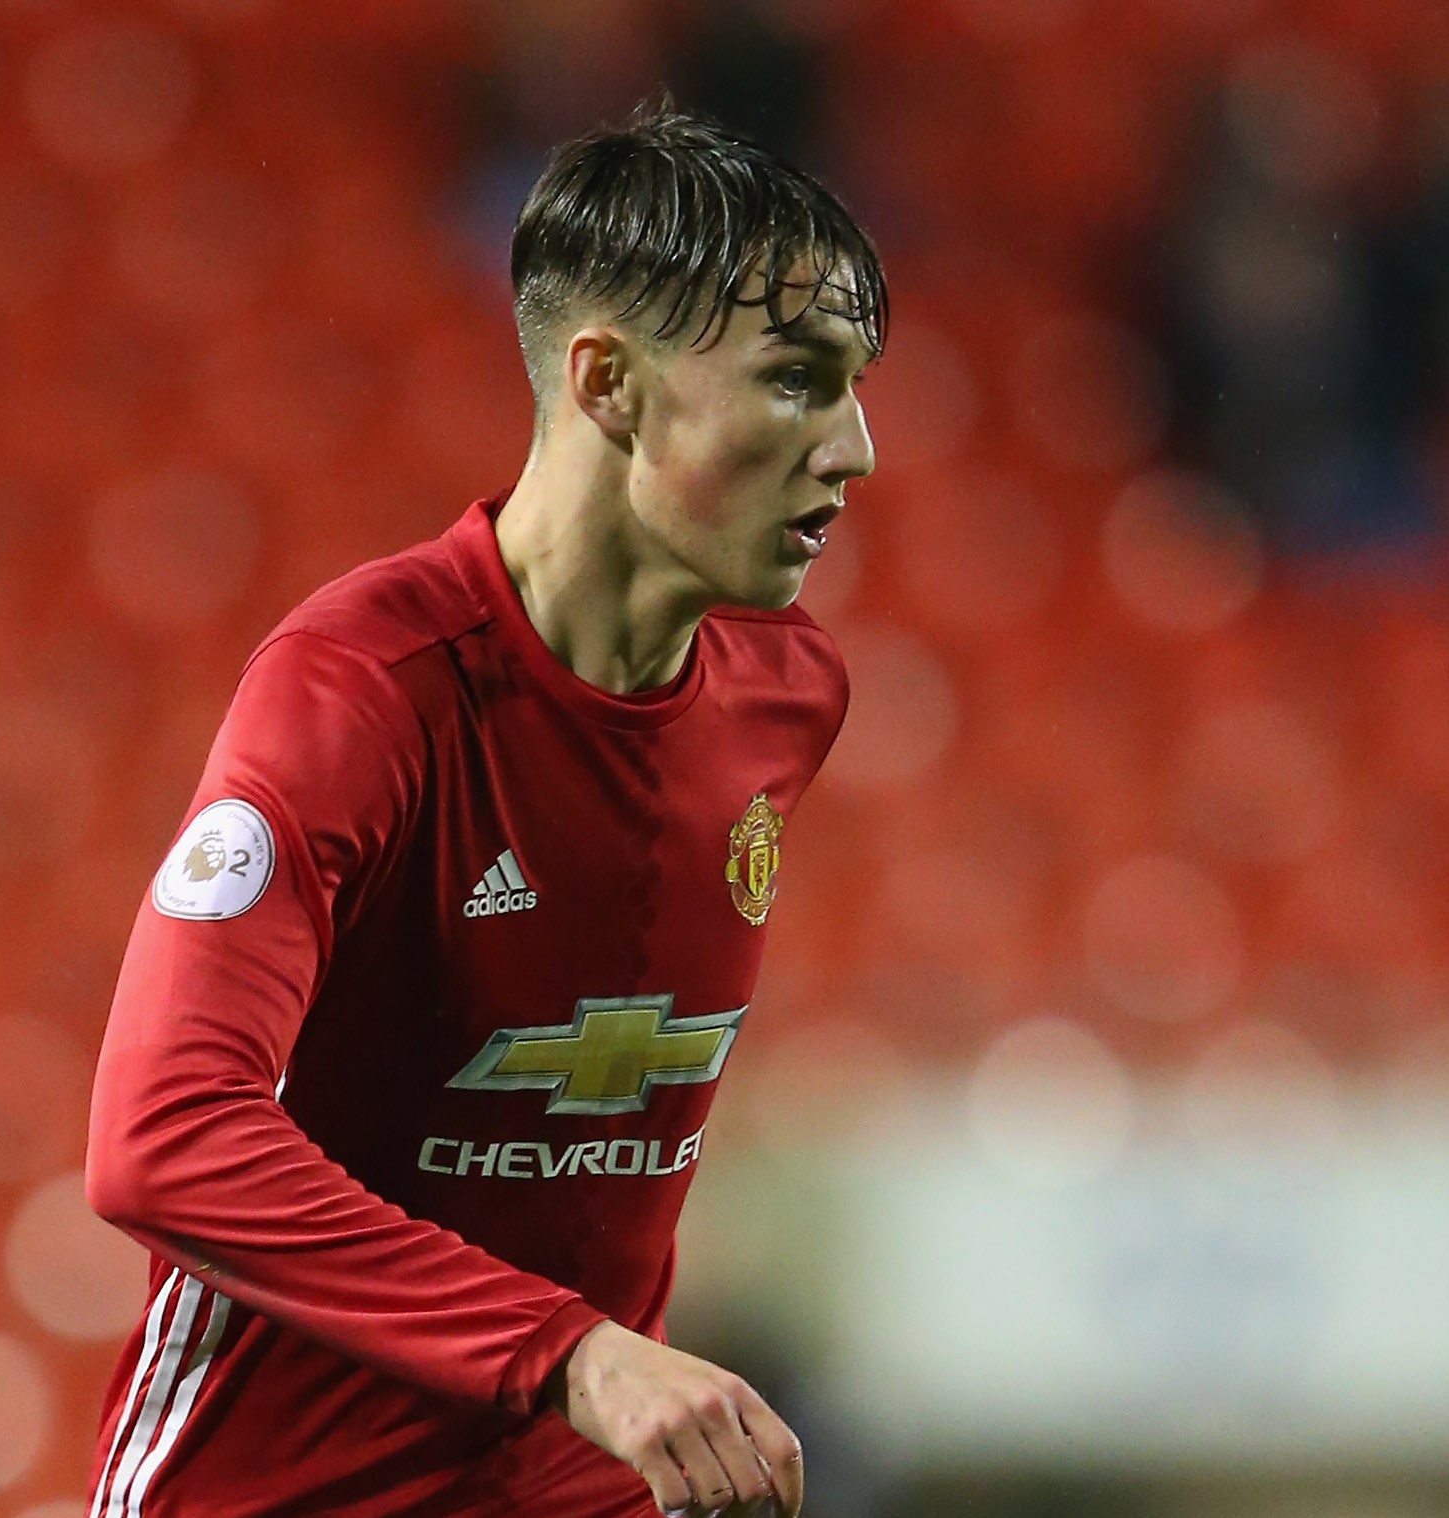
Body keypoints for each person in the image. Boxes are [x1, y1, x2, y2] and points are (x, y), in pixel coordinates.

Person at [83, 103, 884, 1518]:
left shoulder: (787, 694)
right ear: (608, 384)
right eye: (794, 380)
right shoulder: (361, 692)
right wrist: (571, 1352)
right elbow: (163, 1135)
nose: (854, 446)